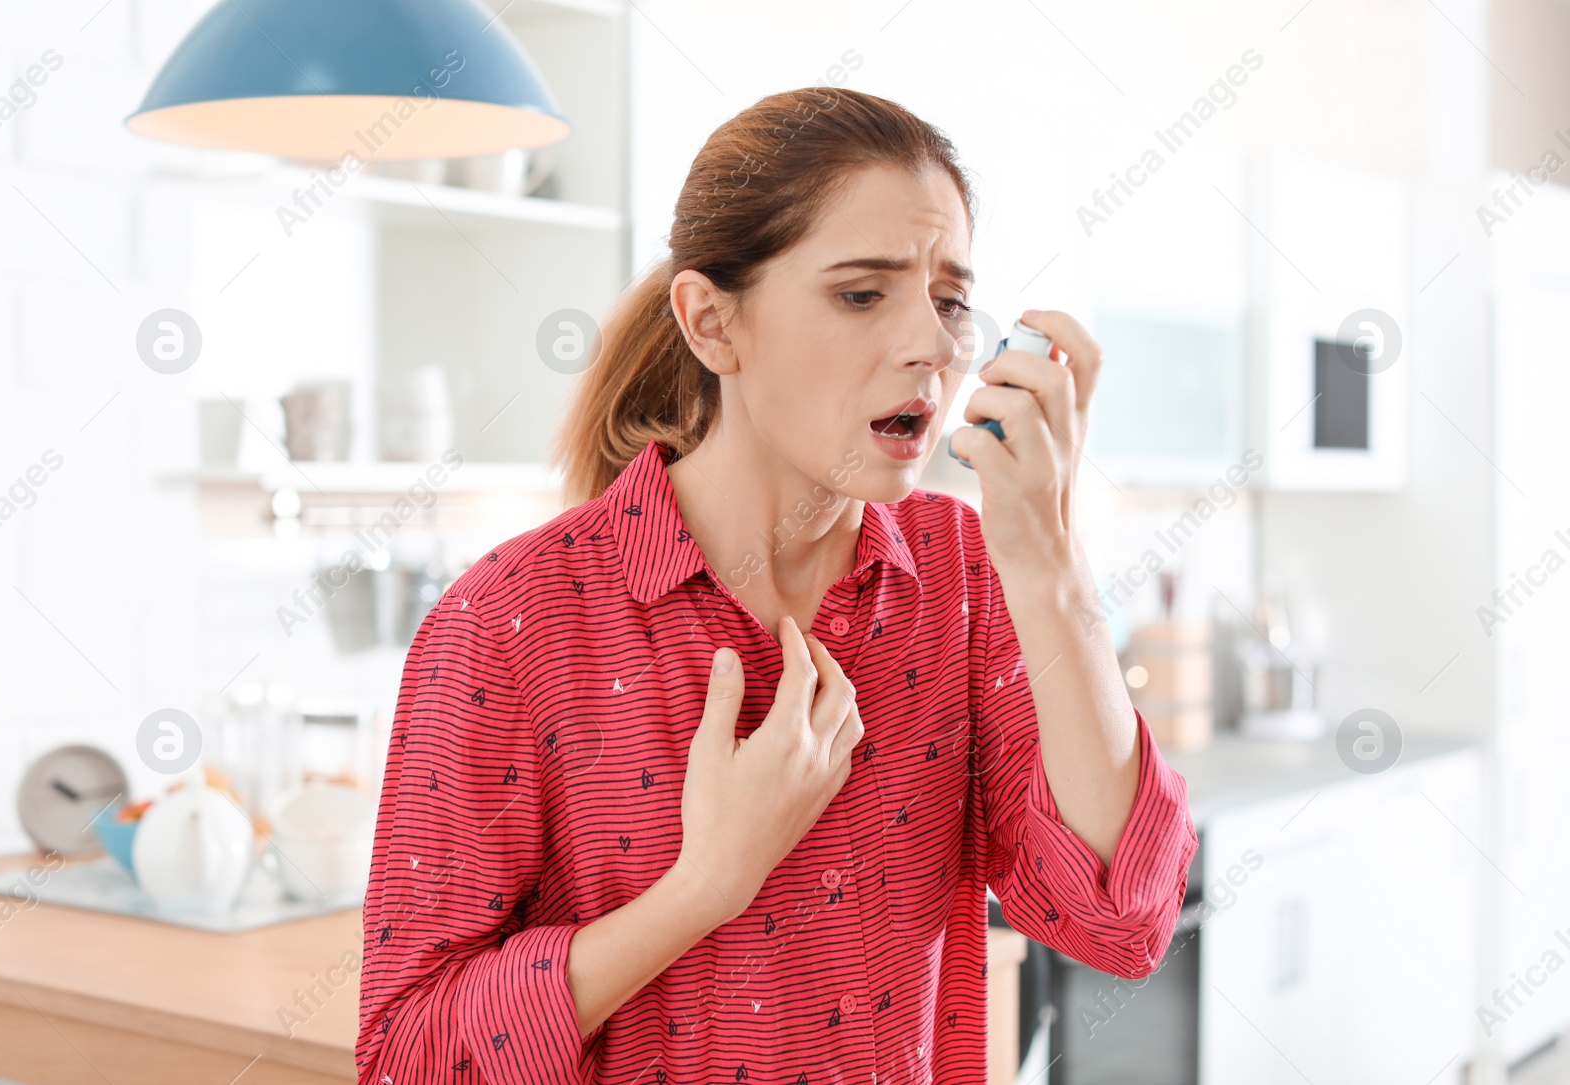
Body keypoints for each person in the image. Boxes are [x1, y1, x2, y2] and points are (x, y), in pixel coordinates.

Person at [356, 85, 1198, 1085]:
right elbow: (407, 1054)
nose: (929, 344)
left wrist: (1050, 562)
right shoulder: (511, 619)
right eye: (860, 293)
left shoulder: (965, 575)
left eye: (948, 298)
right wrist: (706, 882)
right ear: (712, 323)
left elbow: (1120, 920)